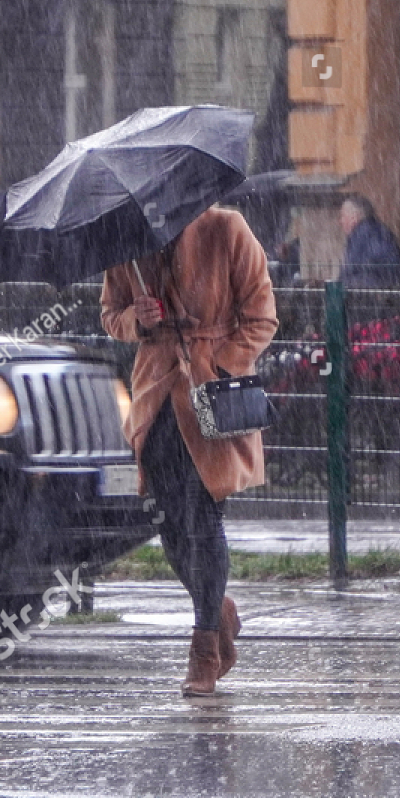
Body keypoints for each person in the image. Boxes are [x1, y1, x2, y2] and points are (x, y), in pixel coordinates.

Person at [100, 205, 278, 695]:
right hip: (155, 397)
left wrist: (221, 364)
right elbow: (110, 315)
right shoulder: (127, 245)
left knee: (203, 518)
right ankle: (218, 609)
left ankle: (203, 647)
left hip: (210, 399)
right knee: (168, 524)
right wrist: (135, 320)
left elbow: (261, 316)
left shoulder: (226, 228)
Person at [338, 192, 400, 289]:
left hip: (373, 295)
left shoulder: (362, 236)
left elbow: (352, 272)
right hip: (388, 292)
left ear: (354, 217)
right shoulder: (376, 232)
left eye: (343, 216)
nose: (341, 221)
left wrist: (340, 286)